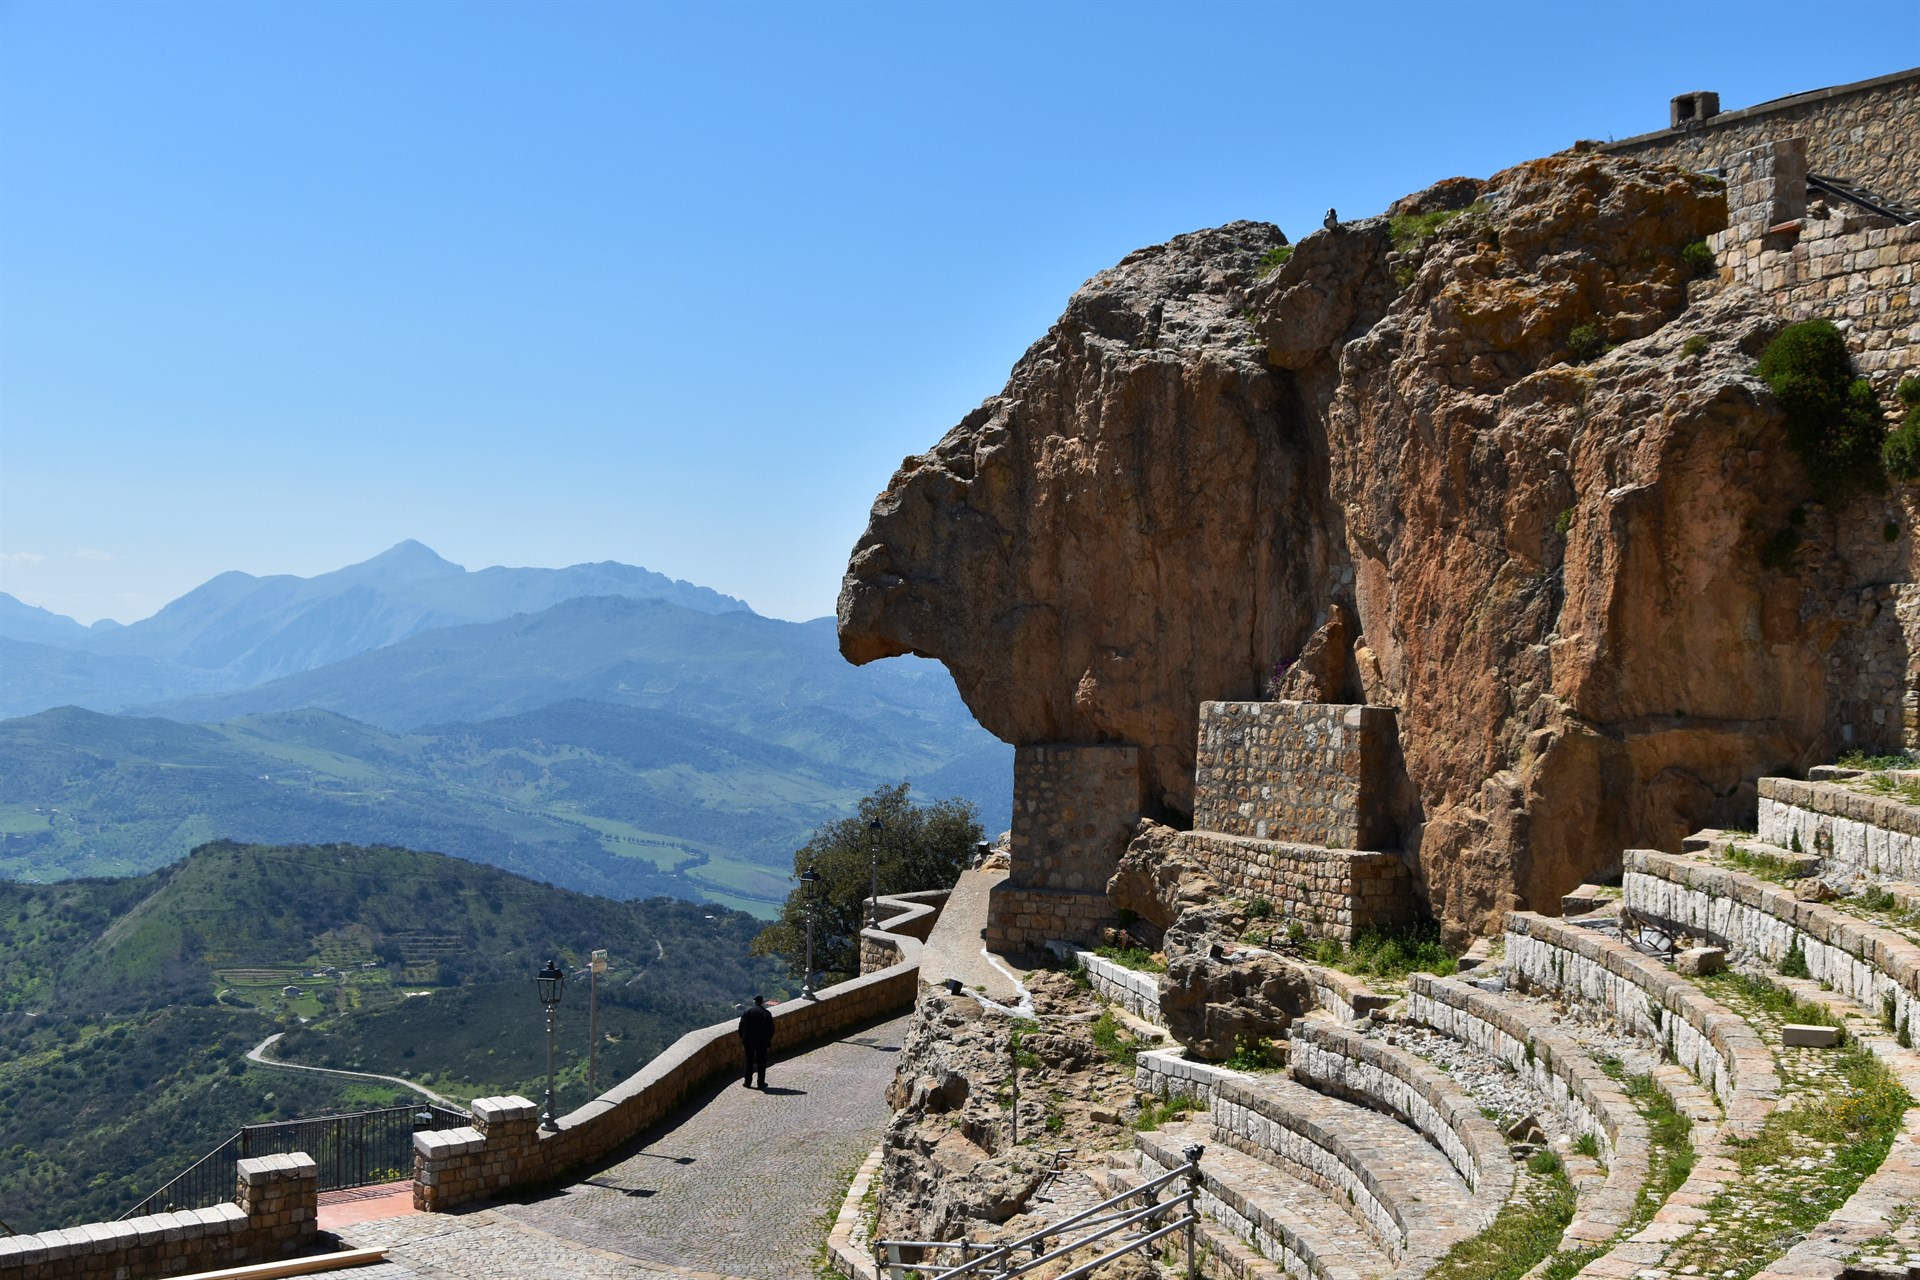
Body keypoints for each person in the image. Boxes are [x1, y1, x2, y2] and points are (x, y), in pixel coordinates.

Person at [738, 995, 774, 1089]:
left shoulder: (747, 1012)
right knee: (761, 1062)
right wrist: (767, 1040)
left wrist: (743, 1038)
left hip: (748, 1041)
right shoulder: (766, 1013)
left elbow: (741, 1027)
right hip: (762, 1041)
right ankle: (760, 1083)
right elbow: (771, 1029)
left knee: (749, 1060)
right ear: (761, 1002)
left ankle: (747, 1082)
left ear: (754, 1002)